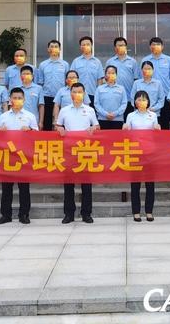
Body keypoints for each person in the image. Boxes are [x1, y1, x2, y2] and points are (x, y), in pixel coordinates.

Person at [56, 82, 99, 223]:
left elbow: (97, 126)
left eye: (80, 92)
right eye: (74, 92)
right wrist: (59, 129)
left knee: (86, 184)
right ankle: (69, 213)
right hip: (69, 150)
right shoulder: (64, 110)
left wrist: (93, 129)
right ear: (70, 94)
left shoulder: (89, 110)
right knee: (69, 184)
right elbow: (58, 126)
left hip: (85, 150)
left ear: (84, 94)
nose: (77, 94)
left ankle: (86, 213)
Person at [0, 88, 39, 225]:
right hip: (7, 155)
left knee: (24, 187)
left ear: (24, 100)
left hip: (23, 155)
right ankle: (5, 215)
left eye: (20, 98)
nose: (17, 100)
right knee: (6, 187)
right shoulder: (4, 116)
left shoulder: (30, 116)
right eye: (14, 98)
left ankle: (24, 214)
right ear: (10, 100)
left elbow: (37, 135)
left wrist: (29, 130)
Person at [123, 90, 160, 222]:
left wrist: (157, 128)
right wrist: (125, 128)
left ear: (148, 101)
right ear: (135, 102)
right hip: (135, 153)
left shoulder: (153, 115)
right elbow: (127, 134)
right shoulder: (131, 115)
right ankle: (136, 212)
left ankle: (149, 211)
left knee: (150, 184)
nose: (141, 101)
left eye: (144, 99)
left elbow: (156, 133)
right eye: (139, 99)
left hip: (150, 152)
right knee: (135, 184)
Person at [142, 37, 170, 129]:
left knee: (165, 123)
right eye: (153, 44)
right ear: (150, 47)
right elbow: (142, 77)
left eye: (158, 44)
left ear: (162, 47)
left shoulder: (169, 60)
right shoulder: (145, 60)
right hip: (150, 97)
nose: (156, 46)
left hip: (166, 96)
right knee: (150, 124)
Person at [36, 39, 69, 131]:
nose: (54, 48)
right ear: (48, 49)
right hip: (47, 96)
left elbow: (68, 82)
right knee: (47, 121)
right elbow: (40, 82)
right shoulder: (43, 65)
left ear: (60, 49)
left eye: (56, 47)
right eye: (52, 46)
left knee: (60, 122)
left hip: (61, 97)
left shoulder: (65, 64)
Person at [105, 36, 140, 120]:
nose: (121, 47)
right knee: (116, 123)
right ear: (115, 48)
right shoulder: (110, 62)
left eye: (123, 45)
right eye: (119, 45)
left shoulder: (133, 62)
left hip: (129, 99)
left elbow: (136, 80)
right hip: (114, 99)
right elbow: (106, 80)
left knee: (128, 123)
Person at [71, 36, 103, 105]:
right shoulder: (76, 61)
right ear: (80, 47)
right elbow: (72, 79)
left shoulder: (97, 62)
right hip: (78, 95)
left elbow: (99, 81)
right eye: (83, 45)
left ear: (91, 46)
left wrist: (98, 94)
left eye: (88, 44)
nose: (86, 46)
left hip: (93, 95)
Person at [95, 65, 128, 130]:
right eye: (109, 73)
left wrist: (115, 114)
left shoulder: (121, 89)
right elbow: (97, 104)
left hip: (117, 120)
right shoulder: (99, 89)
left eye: (113, 73)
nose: (111, 75)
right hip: (102, 119)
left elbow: (124, 104)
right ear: (105, 75)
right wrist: (105, 114)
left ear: (116, 75)